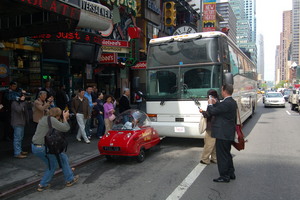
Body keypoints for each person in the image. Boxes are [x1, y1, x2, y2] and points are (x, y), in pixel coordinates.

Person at [31, 107, 79, 191]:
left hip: (35, 147)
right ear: (57, 115)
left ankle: (68, 178)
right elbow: (66, 128)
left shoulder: (44, 118)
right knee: (53, 165)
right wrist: (65, 117)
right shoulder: (52, 120)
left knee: (61, 159)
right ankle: (68, 180)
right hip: (43, 148)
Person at [207, 84, 237, 183]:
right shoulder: (231, 102)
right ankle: (231, 173)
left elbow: (212, 112)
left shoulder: (226, 103)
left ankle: (224, 176)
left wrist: (210, 104)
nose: (221, 91)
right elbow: (221, 109)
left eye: (221, 90)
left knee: (222, 155)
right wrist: (215, 103)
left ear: (224, 91)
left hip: (222, 133)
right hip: (228, 133)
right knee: (227, 154)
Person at [199, 89, 219, 165]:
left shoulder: (211, 103)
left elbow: (208, 114)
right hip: (216, 126)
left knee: (209, 143)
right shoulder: (218, 102)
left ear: (210, 96)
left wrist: (202, 112)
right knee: (213, 144)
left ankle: (205, 159)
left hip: (211, 126)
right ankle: (214, 158)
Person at [11, 94, 29, 158]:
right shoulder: (14, 103)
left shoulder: (21, 103)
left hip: (22, 122)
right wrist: (22, 102)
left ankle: (20, 150)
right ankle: (17, 153)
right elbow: (19, 110)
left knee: (20, 138)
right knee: (17, 138)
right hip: (17, 123)